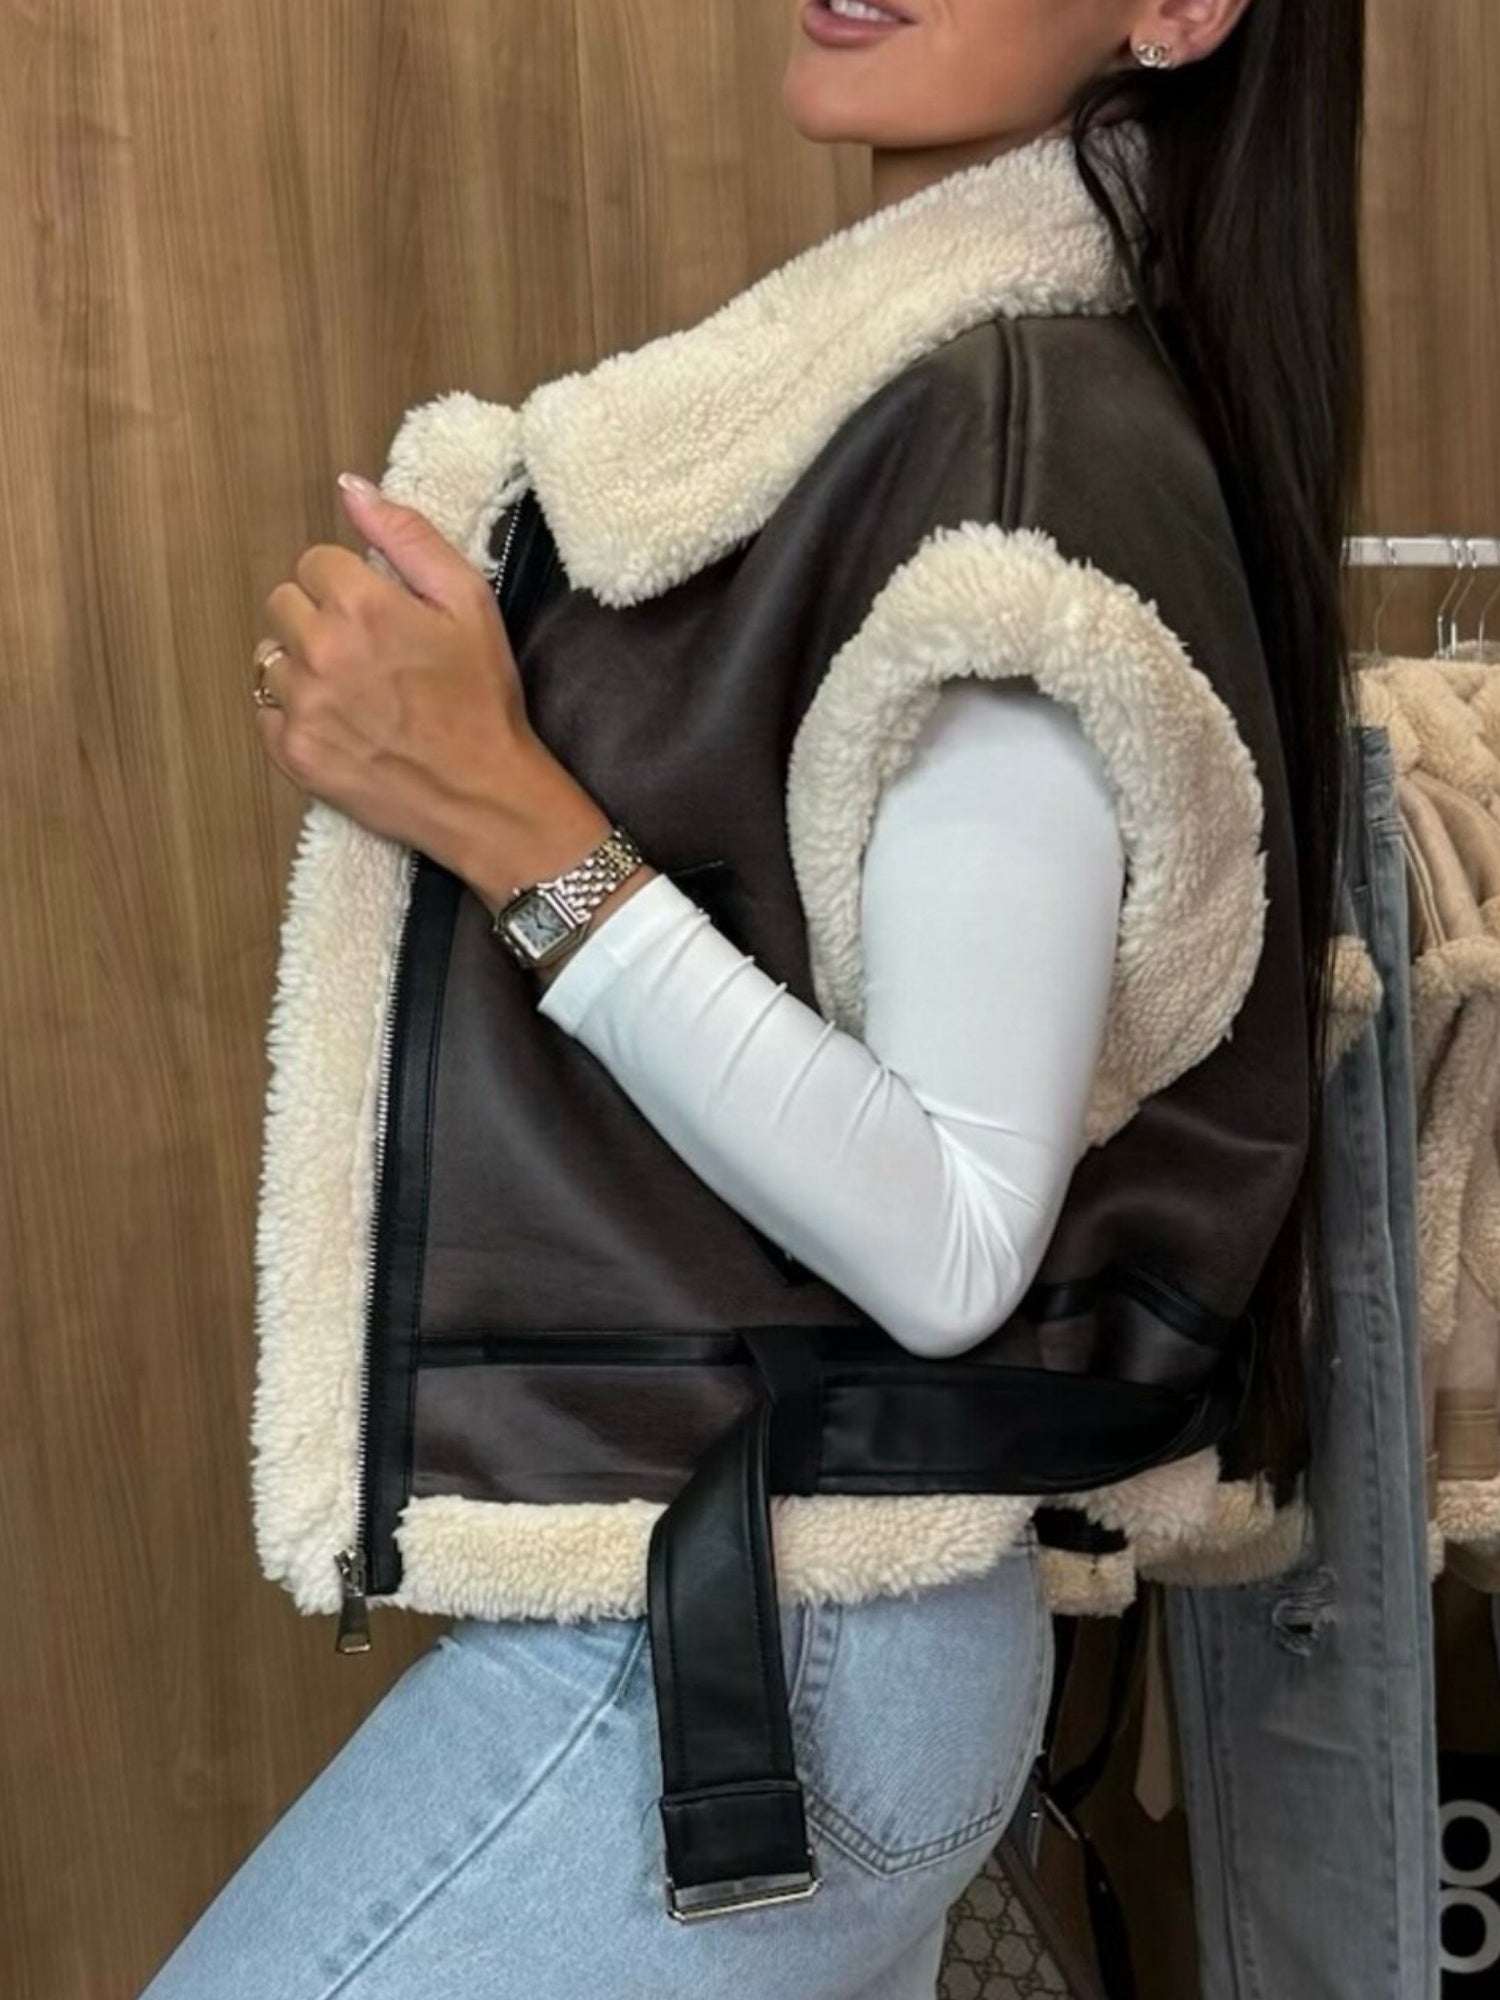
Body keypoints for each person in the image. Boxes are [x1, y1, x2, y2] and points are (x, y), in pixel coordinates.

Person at [137, 0, 1364, 1994]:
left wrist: (499, 810)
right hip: (787, 1631)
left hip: (770, 1649)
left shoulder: (1016, 450)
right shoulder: (940, 410)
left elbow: (953, 1235)